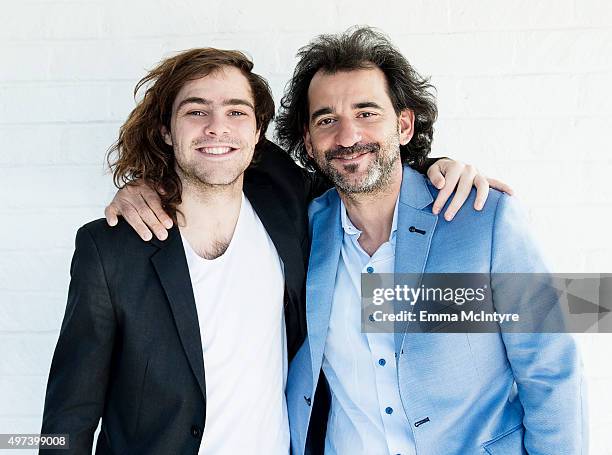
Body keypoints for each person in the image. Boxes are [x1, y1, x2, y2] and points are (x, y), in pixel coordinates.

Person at [41, 49, 506, 455]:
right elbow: (68, 414)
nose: (217, 128)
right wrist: (134, 187)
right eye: (196, 112)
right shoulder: (110, 248)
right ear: (166, 130)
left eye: (236, 112)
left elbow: (358, 164)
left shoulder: (290, 206)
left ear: (258, 131)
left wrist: (434, 167)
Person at [276, 27, 586, 455]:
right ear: (309, 144)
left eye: (367, 113)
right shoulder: (302, 229)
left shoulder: (484, 220)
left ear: (403, 125)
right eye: (327, 120)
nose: (347, 137)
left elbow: (551, 369)